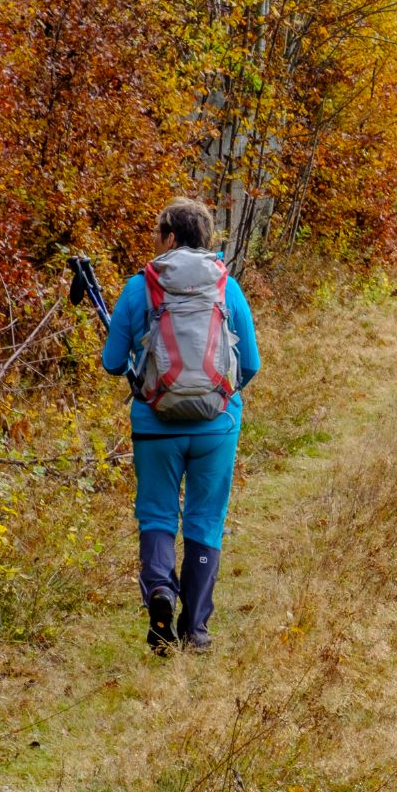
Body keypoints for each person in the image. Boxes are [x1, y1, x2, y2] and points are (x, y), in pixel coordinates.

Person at [100, 198, 260, 653]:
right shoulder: (228, 288)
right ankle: (197, 630)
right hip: (217, 425)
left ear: (169, 238)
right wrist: (219, 397)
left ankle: (160, 594)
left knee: (156, 513)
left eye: (158, 234)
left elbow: (113, 363)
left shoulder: (138, 288)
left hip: (154, 422)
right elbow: (250, 362)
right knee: (205, 518)